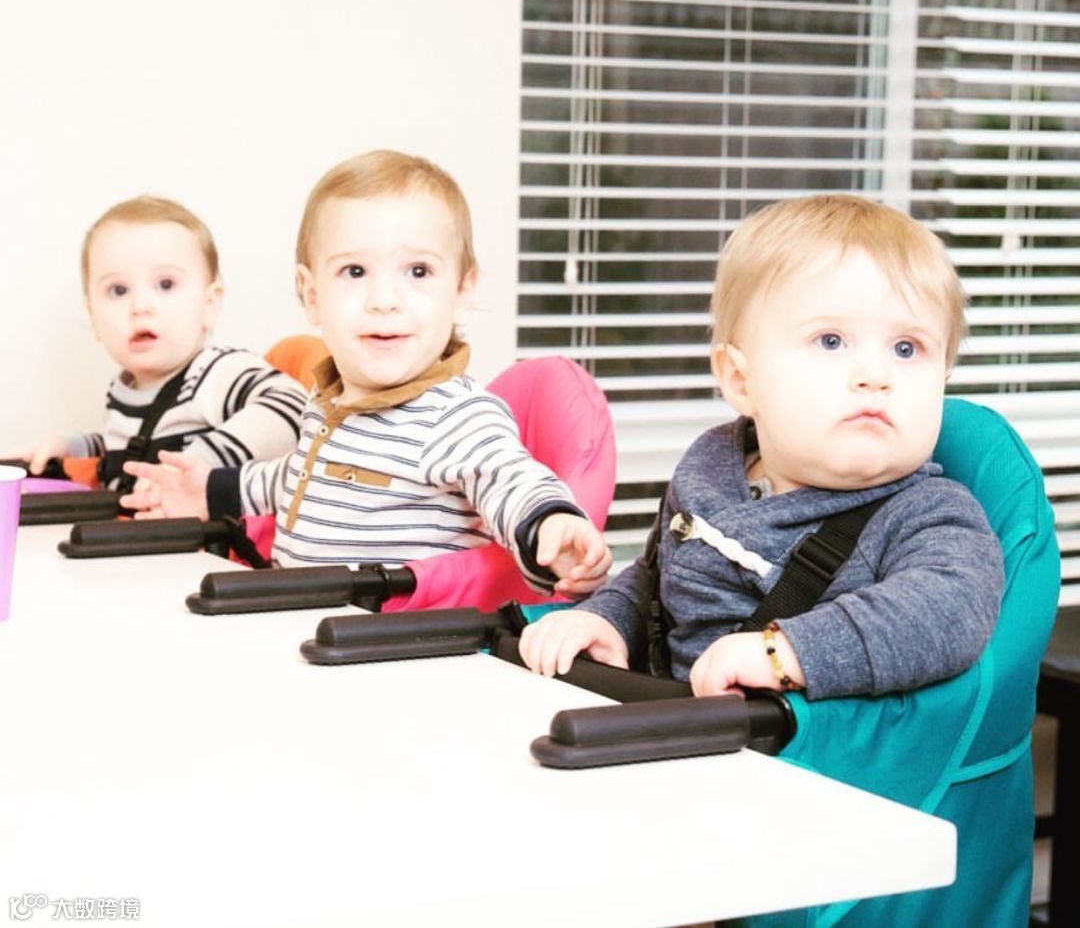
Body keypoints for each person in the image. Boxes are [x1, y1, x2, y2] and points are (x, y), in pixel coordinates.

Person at [519, 194, 1005, 699]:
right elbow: (658, 581)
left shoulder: (929, 514)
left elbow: (950, 610)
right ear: (740, 380)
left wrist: (787, 653)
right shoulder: (710, 468)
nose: (875, 375)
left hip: (793, 745)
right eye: (831, 341)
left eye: (907, 348)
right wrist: (607, 620)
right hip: (666, 720)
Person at [120, 151, 612, 599]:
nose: (384, 300)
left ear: (462, 291)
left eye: (418, 272)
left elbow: (509, 478)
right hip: (304, 629)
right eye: (354, 272)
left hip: (394, 645)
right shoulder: (328, 402)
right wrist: (210, 490)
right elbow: (298, 479)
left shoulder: (454, 415)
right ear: (311, 295)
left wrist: (550, 524)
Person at [12, 196, 307, 487]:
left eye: (165, 284)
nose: (140, 306)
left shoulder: (214, 372)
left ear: (209, 305)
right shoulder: (123, 391)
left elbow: (296, 408)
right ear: (93, 318)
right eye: (118, 290)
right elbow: (127, 449)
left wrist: (204, 458)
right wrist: (73, 447)